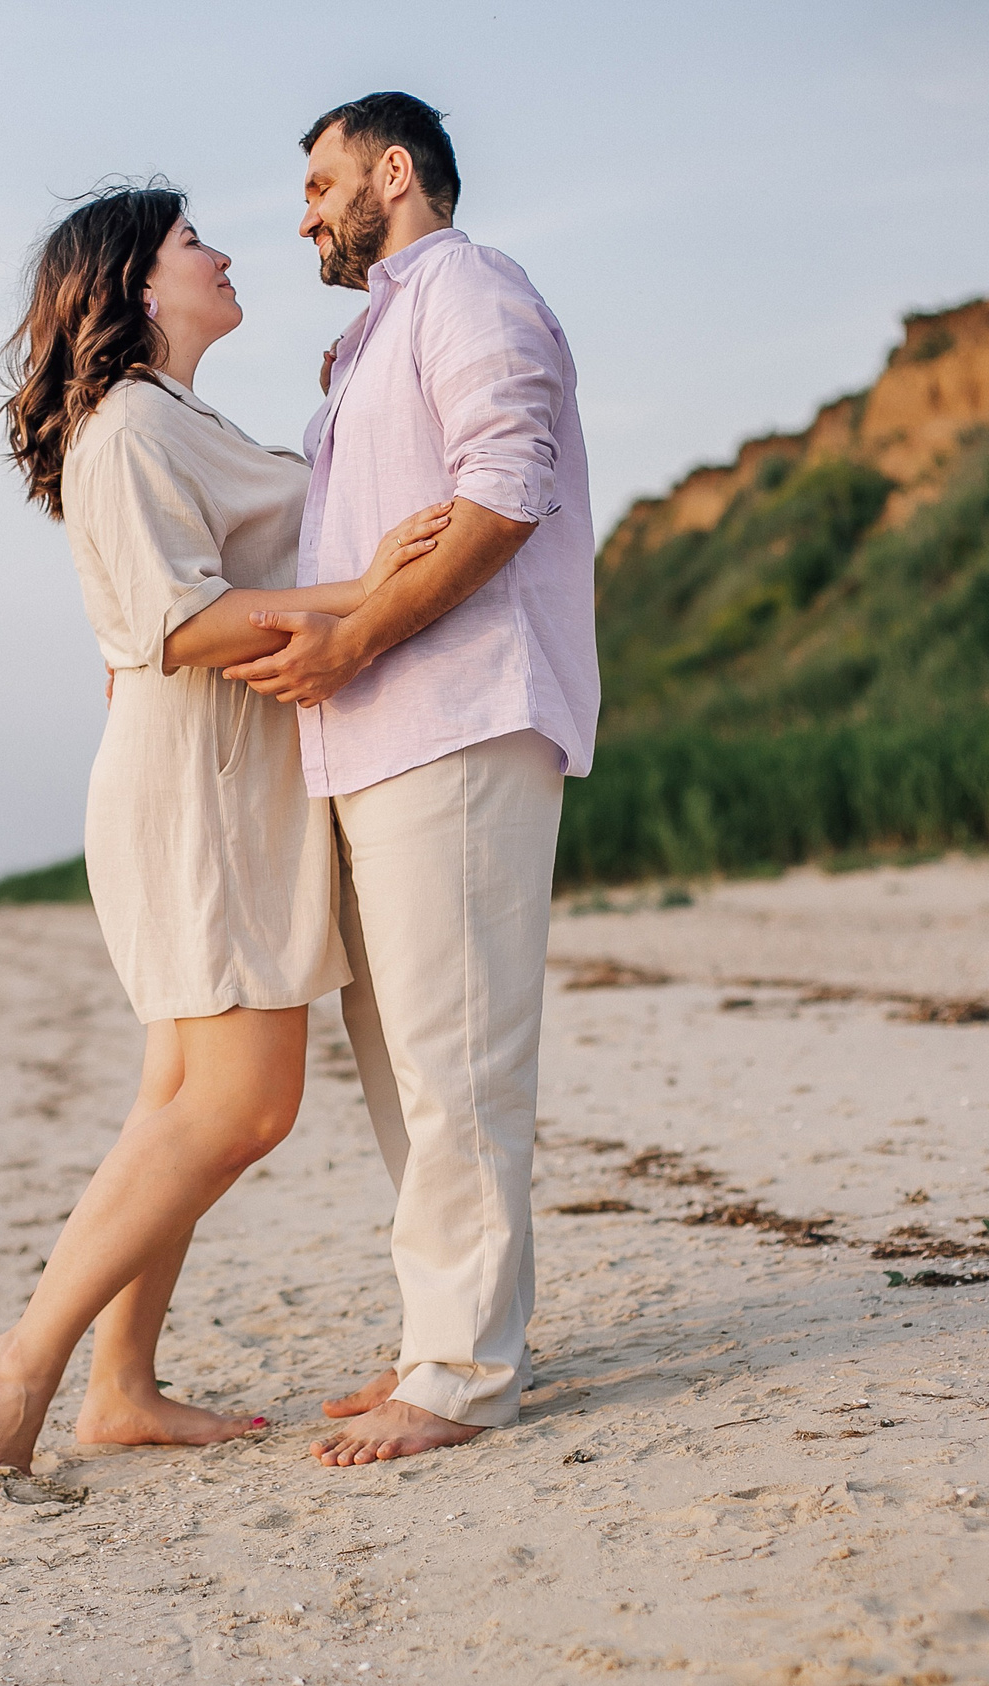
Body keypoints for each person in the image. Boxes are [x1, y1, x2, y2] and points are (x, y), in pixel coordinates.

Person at [0, 182, 455, 1477]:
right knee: (242, 1104)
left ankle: (118, 1382)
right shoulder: (126, 427)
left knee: (178, 1097)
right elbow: (176, 626)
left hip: (221, 778)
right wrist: (379, 586)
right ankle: (26, 1356)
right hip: (194, 790)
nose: (229, 253)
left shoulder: (175, 418)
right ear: (130, 282)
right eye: (194, 242)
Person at [223, 94, 599, 1466]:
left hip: (457, 716)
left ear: (396, 172)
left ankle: (463, 1376)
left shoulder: (469, 288)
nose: (304, 212)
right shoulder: (369, 340)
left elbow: (511, 484)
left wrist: (359, 635)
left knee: (458, 1064)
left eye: (321, 181)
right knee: (405, 1069)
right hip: (380, 740)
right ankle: (449, 1340)